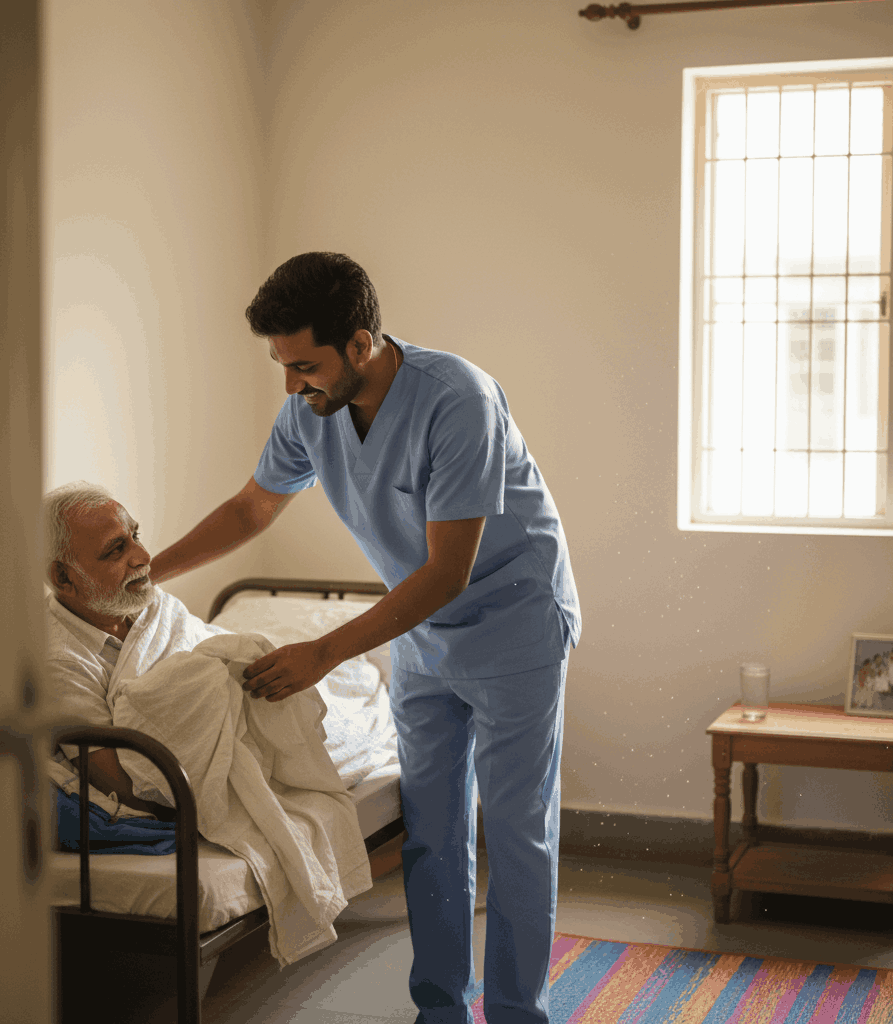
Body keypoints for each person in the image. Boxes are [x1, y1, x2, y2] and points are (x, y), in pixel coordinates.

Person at [149, 252, 581, 1024]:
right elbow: (252, 510)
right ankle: (439, 1010)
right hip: (422, 636)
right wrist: (149, 571)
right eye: (281, 365)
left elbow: (449, 572)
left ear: (360, 343)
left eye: (304, 364)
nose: (290, 384)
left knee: (517, 836)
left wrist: (323, 653)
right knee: (433, 834)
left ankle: (520, 1015)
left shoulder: (459, 401)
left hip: (514, 624)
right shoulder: (309, 413)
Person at [44, 481, 228, 820]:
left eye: (136, 536)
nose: (143, 557)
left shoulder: (144, 602)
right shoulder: (59, 662)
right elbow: (126, 787)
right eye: (116, 549)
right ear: (64, 577)